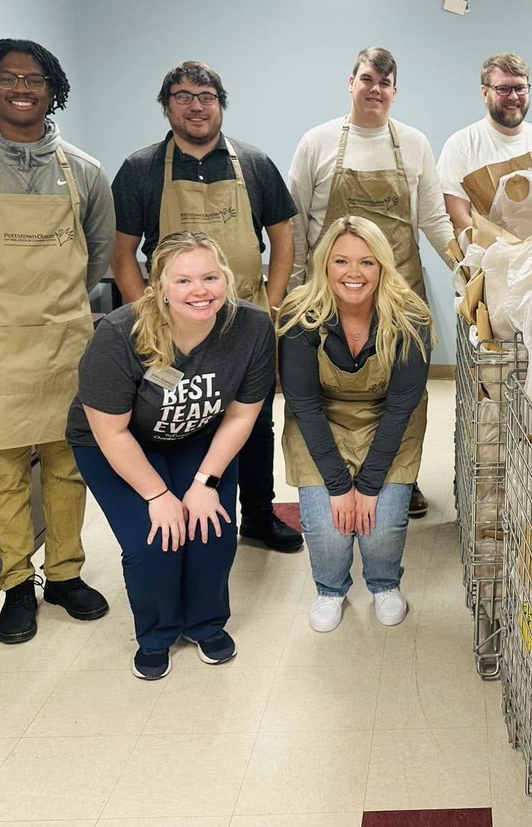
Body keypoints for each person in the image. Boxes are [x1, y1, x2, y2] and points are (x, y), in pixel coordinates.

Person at [0, 38, 114, 644]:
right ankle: (15, 586)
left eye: (34, 78)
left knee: (68, 464)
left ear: (52, 87)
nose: (22, 87)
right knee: (3, 468)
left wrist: (56, 308)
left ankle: (63, 574)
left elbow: (98, 254)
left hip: (65, 340)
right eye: (7, 77)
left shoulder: (83, 171)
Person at [111, 60, 302, 552]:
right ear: (166, 106)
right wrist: (147, 318)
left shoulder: (255, 164)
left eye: (207, 96)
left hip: (245, 322)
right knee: (182, 419)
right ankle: (184, 508)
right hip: (173, 327)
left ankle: (258, 515)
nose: (196, 106)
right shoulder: (141, 169)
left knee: (254, 420)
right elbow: (123, 252)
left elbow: (283, 240)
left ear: (221, 105)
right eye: (183, 96)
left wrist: (271, 305)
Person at [67, 232, 275, 680]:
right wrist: (158, 495)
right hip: (116, 444)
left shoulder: (253, 328)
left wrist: (205, 484)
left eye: (210, 277)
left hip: (197, 435)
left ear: (227, 278)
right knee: (154, 540)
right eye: (183, 281)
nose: (200, 291)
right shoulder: (120, 335)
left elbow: (241, 416)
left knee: (212, 529)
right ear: (158, 286)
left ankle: (204, 623)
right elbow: (111, 430)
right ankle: (158, 633)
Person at [288, 46, 452, 519]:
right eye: (366, 79)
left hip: (400, 293)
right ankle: (331, 475)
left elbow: (435, 221)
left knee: (403, 391)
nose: (374, 89)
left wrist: (472, 270)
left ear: (394, 92)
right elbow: (297, 224)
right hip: (332, 291)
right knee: (329, 385)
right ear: (351, 83)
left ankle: (404, 476)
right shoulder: (317, 142)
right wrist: (297, 290)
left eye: (384, 82)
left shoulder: (415, 144)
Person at [278, 216, 431, 634]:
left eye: (366, 262)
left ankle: (384, 584)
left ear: (382, 266)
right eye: (341, 261)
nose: (353, 273)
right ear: (324, 265)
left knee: (379, 525)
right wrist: (340, 486)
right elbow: (305, 406)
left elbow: (401, 408)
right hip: (321, 424)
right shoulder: (301, 315)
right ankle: (330, 589)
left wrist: (368, 487)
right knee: (330, 529)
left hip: (389, 423)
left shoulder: (410, 317)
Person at [437, 53, 532, 230]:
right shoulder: (462, 144)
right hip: (491, 256)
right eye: (503, 89)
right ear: (485, 93)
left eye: (520, 88)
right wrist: (507, 251)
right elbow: (457, 215)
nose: (514, 97)